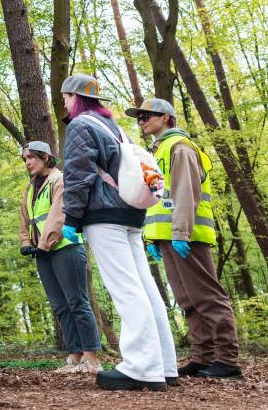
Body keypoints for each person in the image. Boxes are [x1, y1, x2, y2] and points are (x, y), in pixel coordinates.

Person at [60, 74, 178, 391]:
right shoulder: (114, 128)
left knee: (126, 289)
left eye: (65, 97)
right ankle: (164, 365)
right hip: (131, 212)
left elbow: (79, 175)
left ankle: (141, 367)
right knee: (145, 287)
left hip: (104, 215)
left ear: (75, 97)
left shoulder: (80, 126)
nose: (64, 104)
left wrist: (71, 217)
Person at [127, 97, 241, 379]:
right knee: (187, 299)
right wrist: (152, 237)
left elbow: (186, 193)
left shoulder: (180, 147)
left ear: (166, 118)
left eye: (147, 116)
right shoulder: (158, 152)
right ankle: (204, 357)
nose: (141, 121)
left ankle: (227, 359)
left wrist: (181, 233)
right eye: (139, 117)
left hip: (187, 236)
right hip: (168, 237)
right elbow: (158, 199)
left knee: (207, 297)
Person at [18, 141, 102, 374]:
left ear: (45, 157)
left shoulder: (60, 180)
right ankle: (75, 356)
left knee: (77, 303)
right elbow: (24, 218)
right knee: (60, 306)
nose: (28, 163)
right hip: (42, 252)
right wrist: (26, 243)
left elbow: (58, 215)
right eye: (25, 159)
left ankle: (91, 358)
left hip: (66, 247)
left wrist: (43, 243)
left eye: (32, 157)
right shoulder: (30, 188)